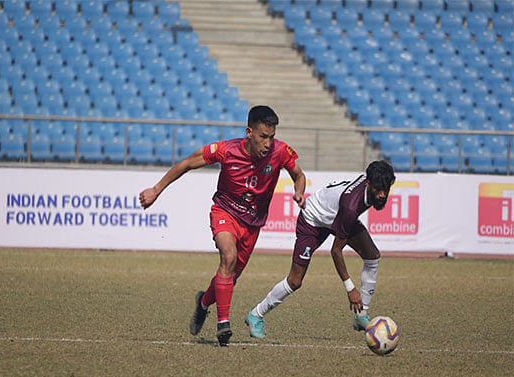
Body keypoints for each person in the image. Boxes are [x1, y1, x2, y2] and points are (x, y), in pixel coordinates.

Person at [139, 105, 306, 346]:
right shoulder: (225, 150)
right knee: (228, 256)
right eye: (262, 137)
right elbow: (187, 163)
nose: (268, 143)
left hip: (253, 225)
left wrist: (299, 192)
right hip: (225, 212)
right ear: (249, 132)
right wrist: (156, 189)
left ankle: (203, 303)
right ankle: (223, 324)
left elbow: (298, 175)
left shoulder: (280, 152)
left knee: (228, 279)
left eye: (271, 137)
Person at [245, 160, 396, 339]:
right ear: (368, 183)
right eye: (378, 189)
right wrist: (351, 289)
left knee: (373, 256)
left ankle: (361, 316)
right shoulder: (350, 206)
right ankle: (256, 314)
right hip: (313, 220)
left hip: (335, 216)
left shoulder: (370, 185)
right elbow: (336, 251)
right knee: (295, 280)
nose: (382, 194)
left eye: (386, 189)